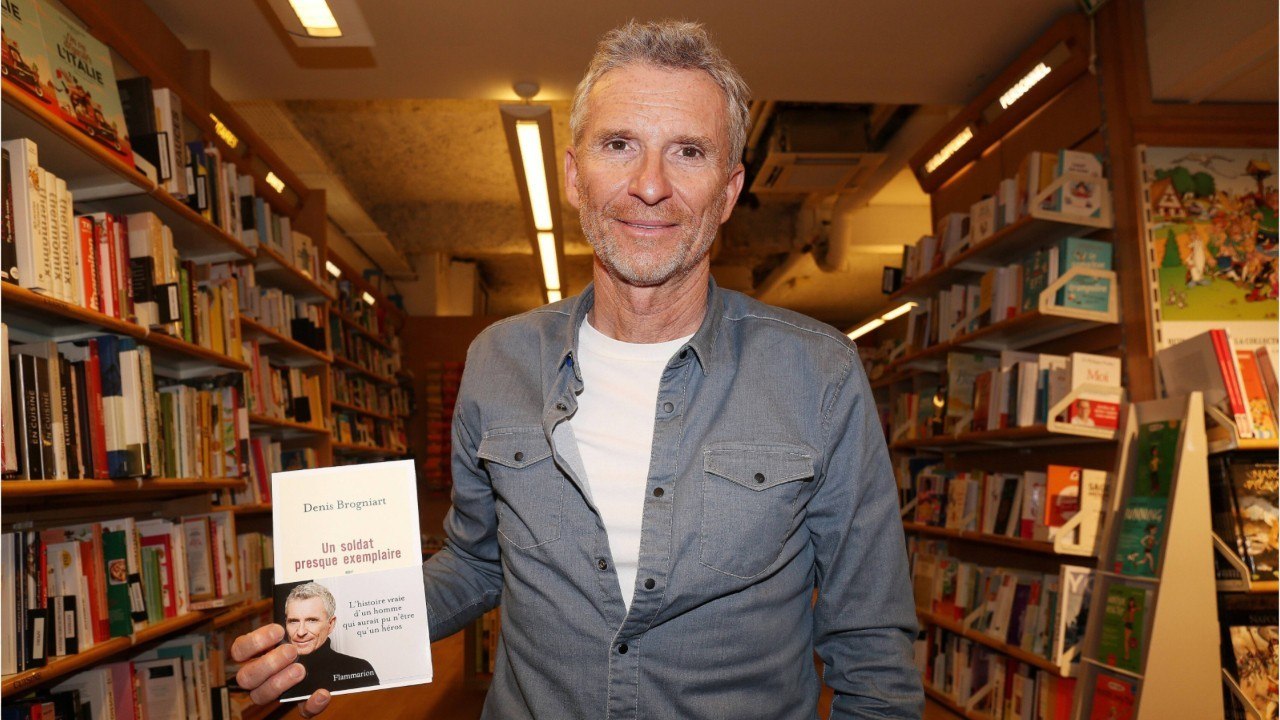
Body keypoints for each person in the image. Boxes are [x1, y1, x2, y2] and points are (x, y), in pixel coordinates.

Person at [232, 19, 922, 719]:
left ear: (729, 188)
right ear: (572, 173)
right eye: (619, 145)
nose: (649, 185)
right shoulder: (497, 361)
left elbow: (872, 647)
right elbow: (476, 561)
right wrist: (325, 635)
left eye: (688, 151)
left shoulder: (819, 374)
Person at [280, 582, 380, 699]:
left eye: (312, 620)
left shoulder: (359, 669)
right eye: (293, 621)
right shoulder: (277, 672)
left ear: (331, 624)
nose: (301, 632)